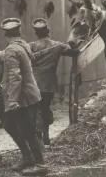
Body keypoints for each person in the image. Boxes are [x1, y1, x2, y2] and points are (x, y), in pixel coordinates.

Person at [0, 18, 46, 175]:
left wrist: (12, 99)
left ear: (5, 34)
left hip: (21, 97)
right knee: (8, 124)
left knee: (27, 129)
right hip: (28, 93)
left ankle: (40, 165)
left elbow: (15, 76)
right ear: (18, 32)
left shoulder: (11, 50)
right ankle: (27, 157)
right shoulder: (23, 45)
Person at [29, 18, 78, 146]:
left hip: (32, 85)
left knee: (36, 111)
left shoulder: (31, 46)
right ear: (48, 31)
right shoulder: (57, 46)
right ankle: (46, 138)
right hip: (48, 86)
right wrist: (72, 44)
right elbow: (74, 52)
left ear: (35, 33)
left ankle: (39, 139)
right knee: (45, 109)